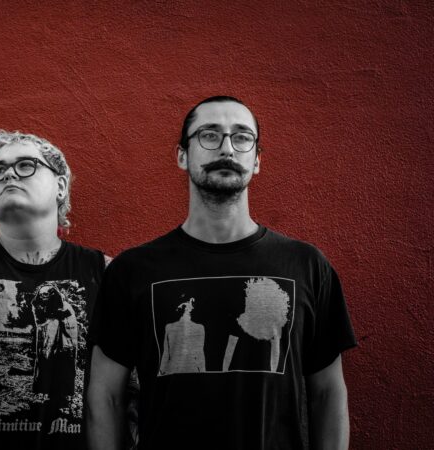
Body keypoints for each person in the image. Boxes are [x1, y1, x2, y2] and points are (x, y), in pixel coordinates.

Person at [87, 96, 357, 450]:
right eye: (209, 135)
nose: (227, 148)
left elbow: (328, 394)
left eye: (242, 137)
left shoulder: (305, 266)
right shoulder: (132, 270)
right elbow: (105, 396)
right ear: (182, 156)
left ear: (256, 160)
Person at [0, 130, 110, 450]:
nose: (9, 175)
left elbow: (127, 389)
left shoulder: (103, 272)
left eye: (26, 165)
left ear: (60, 186)